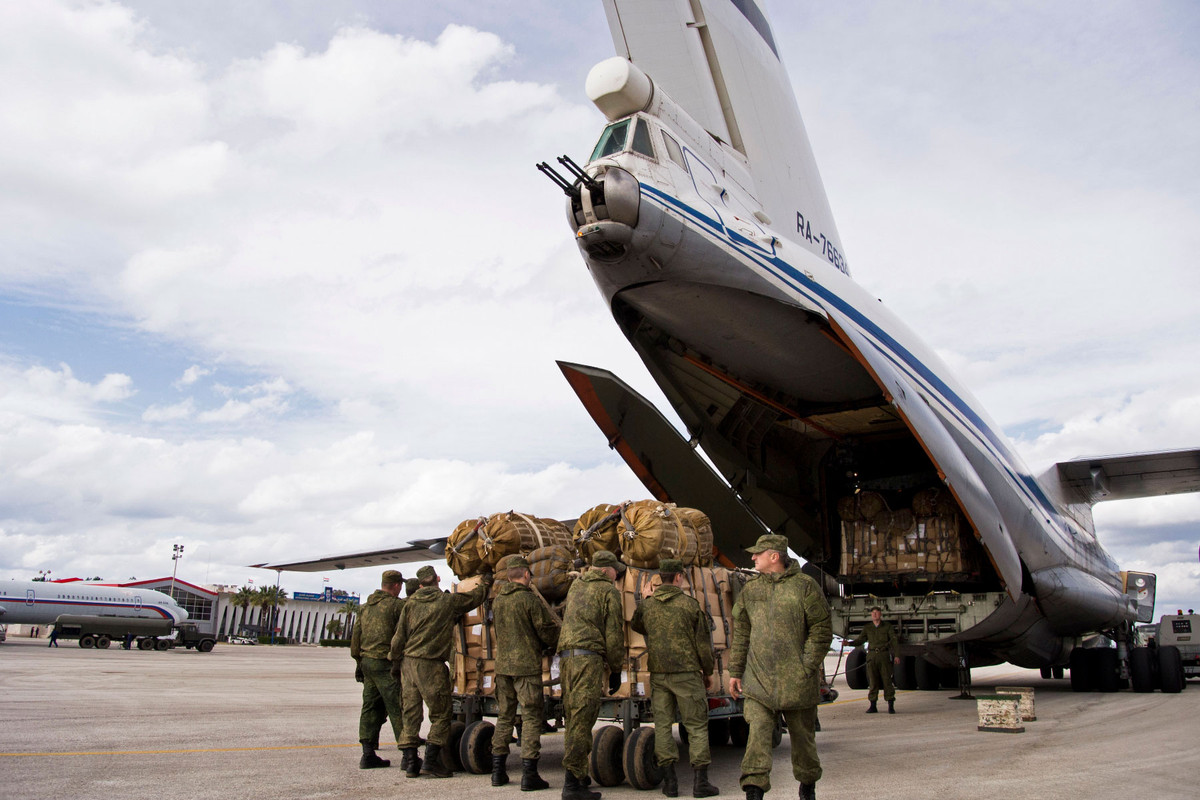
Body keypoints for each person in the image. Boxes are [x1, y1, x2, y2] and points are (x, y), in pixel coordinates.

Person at [729, 534, 832, 800]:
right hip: (758, 682)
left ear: (774, 556)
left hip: (797, 682)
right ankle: (753, 791)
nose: (752, 558)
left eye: (757, 554)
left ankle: (808, 785)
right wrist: (735, 672)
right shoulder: (751, 590)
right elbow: (741, 633)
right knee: (757, 739)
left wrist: (806, 666)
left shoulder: (805, 587)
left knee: (803, 742)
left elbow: (821, 630)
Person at [630, 558, 719, 799]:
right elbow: (703, 645)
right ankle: (700, 783)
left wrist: (646, 599)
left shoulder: (649, 607)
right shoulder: (690, 606)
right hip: (688, 675)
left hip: (660, 675)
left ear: (661, 577)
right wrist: (708, 672)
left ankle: (670, 784)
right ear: (678, 577)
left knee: (662, 727)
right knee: (697, 726)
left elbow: (637, 625)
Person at [391, 564, 490, 778]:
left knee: (410, 714)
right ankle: (431, 761)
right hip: (430, 665)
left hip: (408, 664)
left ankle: (410, 763)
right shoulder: (446, 601)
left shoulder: (410, 604)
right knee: (441, 715)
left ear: (419, 583)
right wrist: (487, 584)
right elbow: (473, 599)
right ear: (436, 578)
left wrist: (395, 663)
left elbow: (398, 637)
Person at [558, 549, 624, 800]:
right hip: (588, 659)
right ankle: (572, 785)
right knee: (582, 721)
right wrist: (616, 669)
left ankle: (579, 776)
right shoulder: (608, 591)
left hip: (566, 658)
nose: (617, 573)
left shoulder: (576, 586)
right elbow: (614, 635)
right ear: (607, 571)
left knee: (573, 718)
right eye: (615, 570)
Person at [491, 555, 561, 790]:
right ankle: (529, 774)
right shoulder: (529, 600)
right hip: (526, 668)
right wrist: (559, 641)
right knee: (531, 717)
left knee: (504, 717)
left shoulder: (498, 601)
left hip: (502, 668)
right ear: (526, 575)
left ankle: (498, 771)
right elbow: (544, 629)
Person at [350, 569, 407, 769]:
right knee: (398, 707)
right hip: (386, 663)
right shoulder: (396, 606)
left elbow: (356, 638)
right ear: (397, 586)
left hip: (367, 663)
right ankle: (408, 756)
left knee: (370, 707)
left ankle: (367, 753)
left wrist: (358, 662)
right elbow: (404, 633)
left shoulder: (365, 608)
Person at [842, 606, 900, 714]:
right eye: (873, 613)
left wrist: (896, 655)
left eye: (877, 613)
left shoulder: (887, 627)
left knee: (887, 680)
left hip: (883, 655)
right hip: (872, 656)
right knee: (873, 681)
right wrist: (849, 643)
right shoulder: (868, 627)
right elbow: (860, 640)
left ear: (880, 614)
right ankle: (873, 705)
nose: (875, 615)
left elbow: (894, 641)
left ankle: (890, 705)